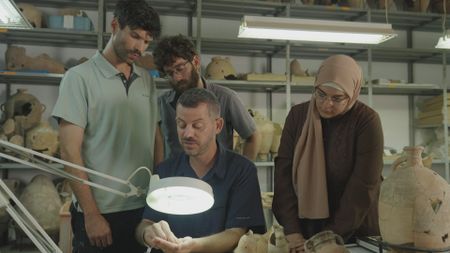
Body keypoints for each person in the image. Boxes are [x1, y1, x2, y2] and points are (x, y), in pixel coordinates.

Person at [52, 0, 163, 252]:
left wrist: (156, 199)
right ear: (115, 26)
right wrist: (91, 214)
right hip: (100, 211)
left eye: (147, 41)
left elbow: (156, 139)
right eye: (135, 36)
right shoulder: (78, 78)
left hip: (142, 209)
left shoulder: (147, 80)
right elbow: (70, 152)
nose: (140, 47)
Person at [272, 55, 384, 253]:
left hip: (355, 229)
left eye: (337, 98)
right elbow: (283, 173)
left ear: (353, 93)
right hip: (305, 229)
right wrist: (293, 230)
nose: (326, 104)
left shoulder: (366, 121)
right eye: (321, 94)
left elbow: (364, 185)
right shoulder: (298, 116)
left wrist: (328, 238)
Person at [136, 88, 266, 253]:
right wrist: (148, 233)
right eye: (181, 124)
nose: (188, 133)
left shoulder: (241, 170)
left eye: (197, 126)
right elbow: (145, 224)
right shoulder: (166, 170)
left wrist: (194, 246)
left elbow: (236, 233)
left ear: (217, 125)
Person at [153, 34, 260, 161]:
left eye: (180, 69)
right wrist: (159, 178)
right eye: (169, 73)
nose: (177, 78)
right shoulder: (162, 103)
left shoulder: (226, 98)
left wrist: (241, 175)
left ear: (196, 62)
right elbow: (157, 144)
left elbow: (253, 137)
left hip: (217, 179)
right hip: (177, 179)